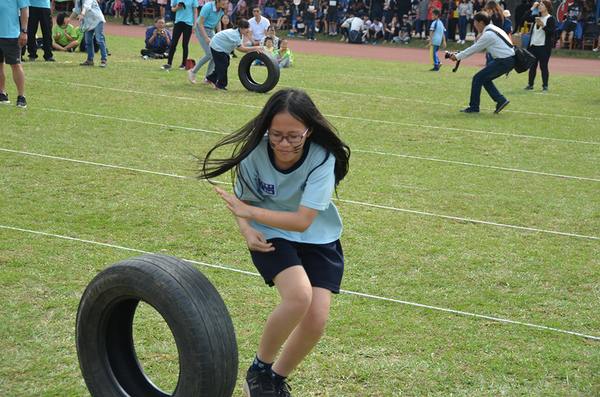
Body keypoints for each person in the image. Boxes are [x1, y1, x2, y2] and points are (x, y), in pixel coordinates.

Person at [196, 88, 350, 397]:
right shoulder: (255, 153)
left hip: (319, 236)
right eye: (276, 134)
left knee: (316, 319)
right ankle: (259, 371)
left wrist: (247, 212)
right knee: (298, 297)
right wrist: (247, 229)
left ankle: (275, 380)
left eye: (294, 136)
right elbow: (244, 201)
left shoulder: (323, 157)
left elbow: (303, 220)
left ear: (309, 130)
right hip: (272, 234)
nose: (283, 143)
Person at [449, 11, 514, 114]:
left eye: (475, 22)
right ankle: (500, 100)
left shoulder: (488, 34)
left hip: (503, 61)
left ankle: (474, 108)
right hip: (506, 60)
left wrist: (457, 57)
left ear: (481, 23)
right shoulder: (494, 29)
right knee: (484, 79)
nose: (474, 24)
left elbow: (473, 49)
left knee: (477, 78)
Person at [205, 19, 263, 90]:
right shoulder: (235, 35)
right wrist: (255, 48)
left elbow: (238, 47)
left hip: (220, 47)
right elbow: (241, 48)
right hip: (216, 47)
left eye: (248, 28)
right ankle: (220, 85)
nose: (248, 30)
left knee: (224, 64)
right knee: (223, 65)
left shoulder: (239, 34)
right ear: (241, 28)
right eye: (246, 28)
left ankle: (211, 78)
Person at [186, 0, 226, 84]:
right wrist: (206, 37)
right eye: (224, 0)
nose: (225, 2)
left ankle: (208, 79)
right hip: (201, 30)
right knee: (209, 54)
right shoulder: (208, 7)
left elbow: (218, 21)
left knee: (216, 54)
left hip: (211, 31)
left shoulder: (222, 9)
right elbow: (200, 23)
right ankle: (193, 72)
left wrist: (220, 34)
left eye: (226, 1)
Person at [0, 0, 29, 108]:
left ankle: (21, 96)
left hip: (11, 34)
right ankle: (2, 93)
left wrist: (24, 31)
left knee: (16, 65)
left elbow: (24, 9)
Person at [522, 0, 555, 92]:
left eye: (542, 5)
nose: (539, 6)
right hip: (533, 45)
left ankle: (545, 85)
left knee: (543, 66)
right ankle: (530, 84)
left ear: (547, 7)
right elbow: (525, 17)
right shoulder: (536, 17)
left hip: (543, 46)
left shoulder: (550, 19)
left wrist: (543, 26)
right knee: (532, 66)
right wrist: (532, 8)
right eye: (539, 5)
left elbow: (552, 32)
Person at [162, 0, 198, 69]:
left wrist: (195, 24)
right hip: (178, 22)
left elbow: (195, 12)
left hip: (188, 23)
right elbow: (172, 9)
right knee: (173, 43)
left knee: (185, 44)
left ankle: (183, 64)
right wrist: (177, 8)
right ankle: (169, 63)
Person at [72, 0, 109, 67]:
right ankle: (90, 60)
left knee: (99, 39)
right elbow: (76, 9)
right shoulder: (78, 0)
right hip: (88, 22)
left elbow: (86, 6)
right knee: (88, 40)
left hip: (97, 20)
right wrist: (69, 18)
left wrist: (82, 14)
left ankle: (104, 60)